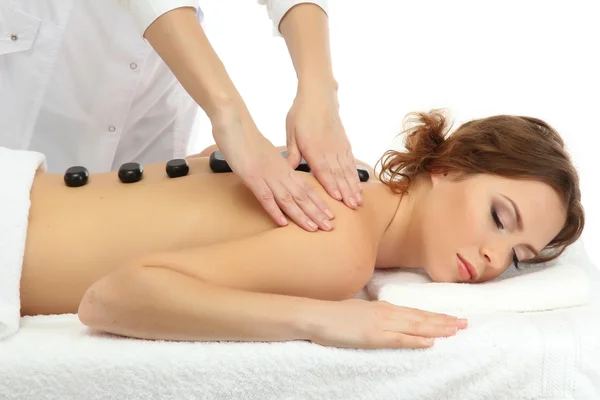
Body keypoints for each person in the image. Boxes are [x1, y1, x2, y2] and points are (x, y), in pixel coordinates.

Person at [10, 109, 583, 349]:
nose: (492, 257)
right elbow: (111, 300)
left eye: (517, 256)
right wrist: (320, 318)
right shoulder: (341, 248)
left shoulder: (343, 171)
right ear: (447, 165)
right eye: (499, 217)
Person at [0, 0, 361, 234]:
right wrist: (230, 116)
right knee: (20, 223)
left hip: (160, 68)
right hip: (55, 60)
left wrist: (319, 89)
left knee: (130, 230)